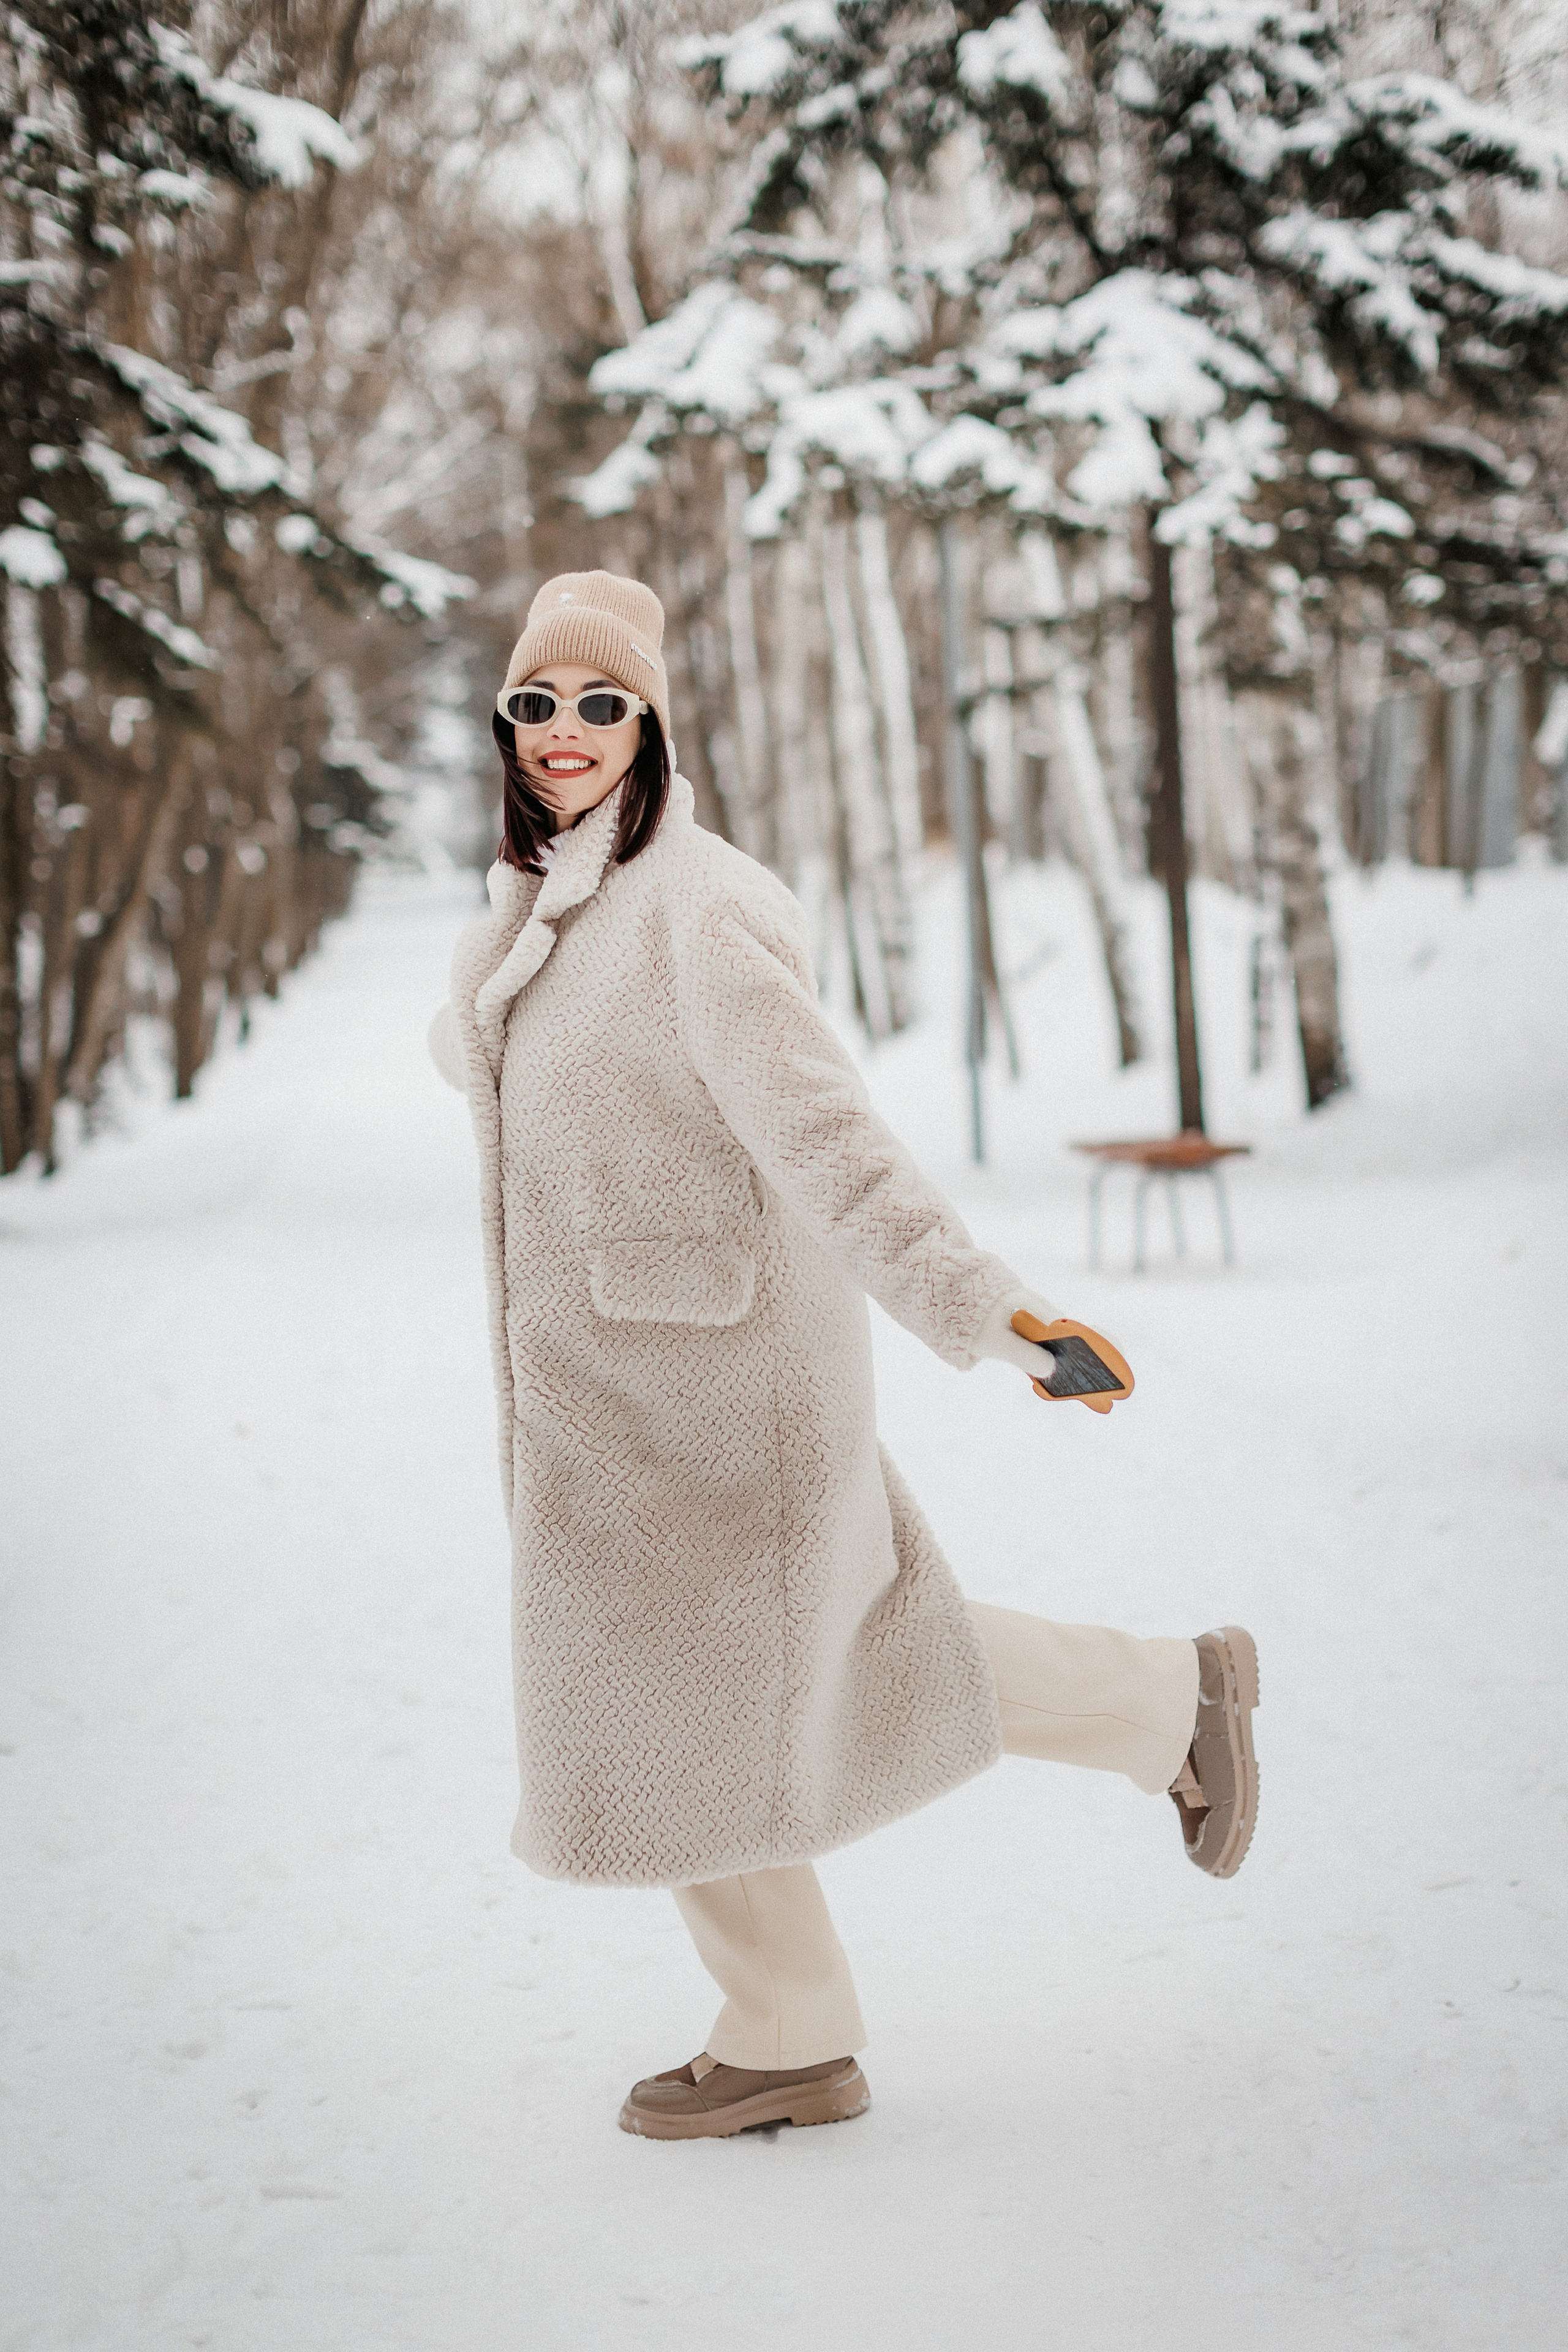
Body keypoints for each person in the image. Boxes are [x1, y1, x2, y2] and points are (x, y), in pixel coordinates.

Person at [429, 570, 1259, 2144]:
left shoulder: (698, 904)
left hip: (722, 1388)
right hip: (613, 1399)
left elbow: (831, 1145)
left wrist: (993, 1314)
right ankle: (792, 2028)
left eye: (601, 704)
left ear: (652, 723)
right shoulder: (555, 903)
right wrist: (512, 925)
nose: (564, 732)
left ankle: (1168, 1701)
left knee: (825, 1655)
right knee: (692, 1699)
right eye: (537, 704)